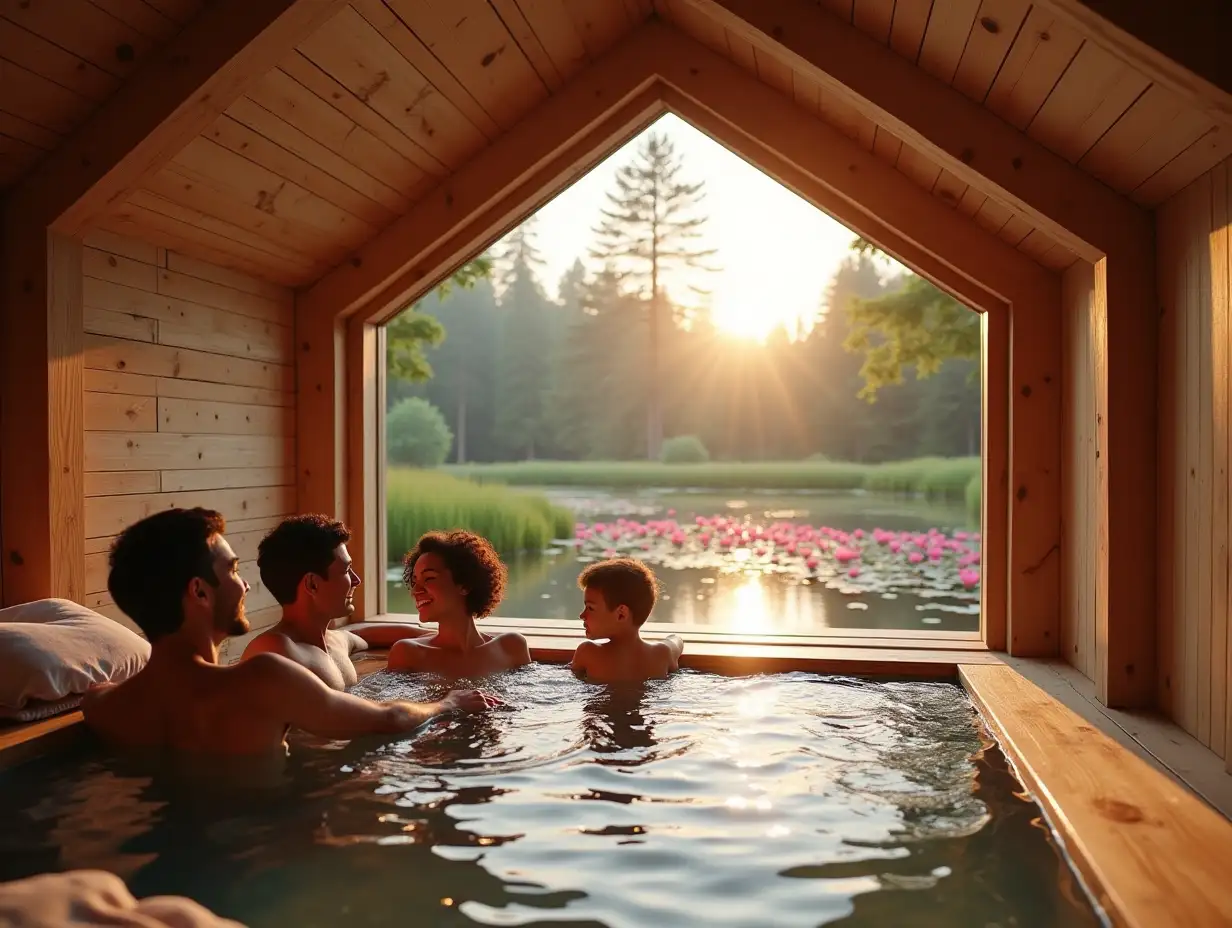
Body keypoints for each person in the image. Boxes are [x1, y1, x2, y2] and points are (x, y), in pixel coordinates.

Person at [82, 509, 500, 758]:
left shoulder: (103, 703)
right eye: (231, 571)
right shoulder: (265, 676)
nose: (245, 585)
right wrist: (447, 703)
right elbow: (389, 719)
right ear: (199, 592)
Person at [240, 514, 431, 689]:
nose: (356, 580)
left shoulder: (332, 640)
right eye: (346, 570)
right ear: (313, 584)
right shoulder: (273, 651)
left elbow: (364, 634)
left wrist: (440, 636)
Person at [387, 530, 531, 677]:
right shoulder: (408, 653)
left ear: (465, 584)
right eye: (414, 581)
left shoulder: (511, 647)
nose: (415, 591)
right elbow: (388, 701)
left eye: (429, 578)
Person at [570, 558, 684, 683]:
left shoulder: (587, 652)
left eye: (590, 608)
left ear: (621, 614)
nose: (582, 615)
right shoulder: (662, 654)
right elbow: (676, 640)